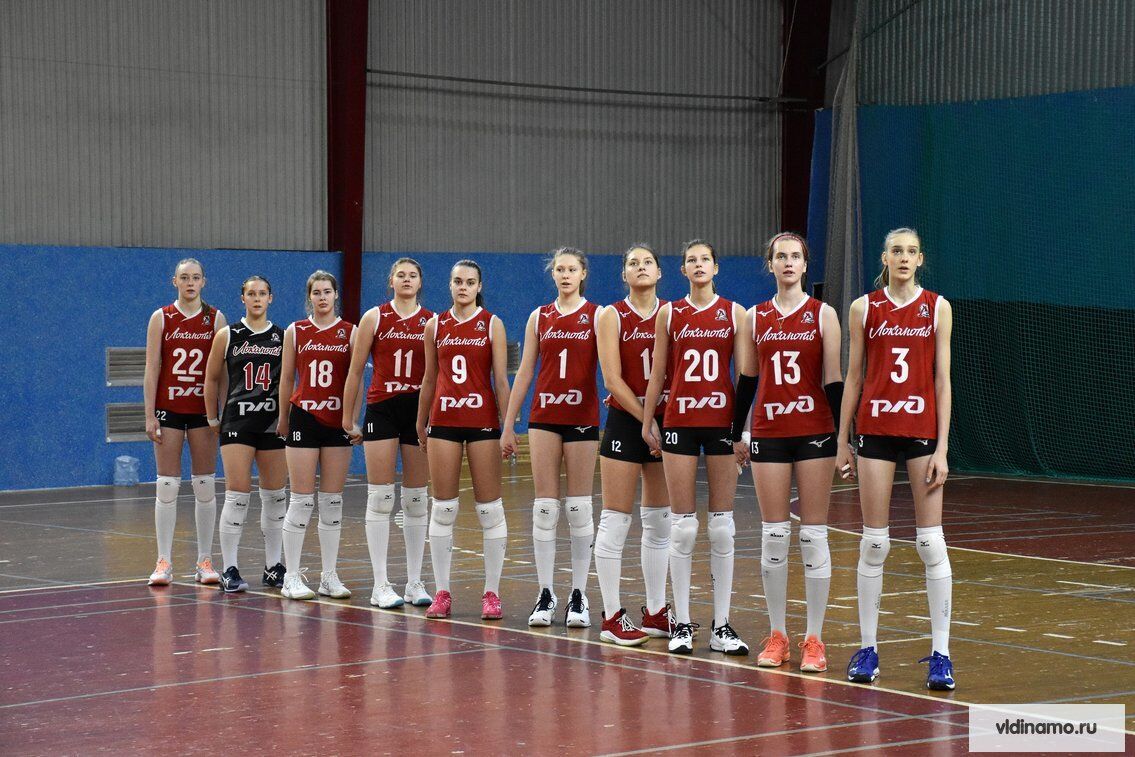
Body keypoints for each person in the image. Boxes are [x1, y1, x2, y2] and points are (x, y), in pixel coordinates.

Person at [836, 228, 955, 691]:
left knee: (931, 543)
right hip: (876, 430)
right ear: (884, 258)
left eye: (911, 251)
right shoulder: (863, 308)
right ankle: (868, 649)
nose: (903, 258)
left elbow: (942, 380)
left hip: (922, 431)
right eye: (896, 251)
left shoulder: (937, 307)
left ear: (920, 259)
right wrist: (842, 439)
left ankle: (941, 655)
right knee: (874, 543)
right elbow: (853, 376)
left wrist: (943, 447)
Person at [731, 233, 842, 672]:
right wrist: (737, 433)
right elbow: (747, 379)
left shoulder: (823, 314)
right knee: (774, 535)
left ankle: (814, 638)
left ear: (805, 265)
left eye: (796, 256)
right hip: (769, 431)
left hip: (815, 432)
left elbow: (834, 379)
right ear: (771, 264)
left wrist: (843, 438)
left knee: (813, 536)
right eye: (781, 256)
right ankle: (778, 634)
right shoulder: (755, 317)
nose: (789, 262)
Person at [641, 240, 749, 656]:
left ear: (716, 268)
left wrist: (743, 430)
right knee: (683, 526)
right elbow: (658, 373)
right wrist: (648, 419)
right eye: (691, 260)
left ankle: (722, 625)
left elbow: (744, 377)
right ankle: (683, 623)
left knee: (721, 526)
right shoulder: (670, 313)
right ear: (683, 270)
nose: (699, 265)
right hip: (679, 423)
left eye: (705, 259)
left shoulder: (734, 313)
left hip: (721, 423)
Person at [501, 247, 600, 629]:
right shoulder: (539, 316)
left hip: (582, 417)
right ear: (553, 274)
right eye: (560, 269)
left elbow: (611, 365)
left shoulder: (597, 315)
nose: (565, 274)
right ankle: (546, 592)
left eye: (572, 269)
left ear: (583, 273)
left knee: (579, 508)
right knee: (544, 508)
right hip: (544, 417)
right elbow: (525, 371)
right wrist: (509, 424)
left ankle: (579, 594)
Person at [416, 260, 512, 620]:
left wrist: (508, 426)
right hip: (444, 421)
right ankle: (442, 592)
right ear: (450, 284)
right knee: (443, 508)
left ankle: (492, 593)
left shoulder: (492, 323)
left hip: (482, 421)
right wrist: (420, 422)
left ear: (479, 286)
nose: (463, 287)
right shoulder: (435, 324)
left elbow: (500, 380)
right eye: (457, 281)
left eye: (470, 282)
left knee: (490, 510)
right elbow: (429, 378)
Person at [342, 258, 434, 609]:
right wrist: (349, 418)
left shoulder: (432, 321)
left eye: (413, 275)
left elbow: (437, 375)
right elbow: (355, 371)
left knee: (416, 499)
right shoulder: (374, 317)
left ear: (420, 282)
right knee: (380, 497)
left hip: (417, 410)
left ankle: (414, 582)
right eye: (401, 275)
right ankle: (380, 584)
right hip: (381, 408)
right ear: (391, 281)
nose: (407, 280)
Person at [593, 244, 672, 646]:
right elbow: (611, 378)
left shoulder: (671, 313)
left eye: (647, 262)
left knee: (659, 522)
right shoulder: (611, 315)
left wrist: (660, 420)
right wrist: (645, 420)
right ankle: (611, 617)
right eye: (632, 263)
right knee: (616, 519)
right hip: (628, 419)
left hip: (664, 419)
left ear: (659, 272)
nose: (640, 268)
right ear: (623, 275)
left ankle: (656, 612)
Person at [276, 271, 362, 601]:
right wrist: (283, 418)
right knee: (301, 500)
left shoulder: (350, 332)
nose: (322, 297)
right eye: (316, 292)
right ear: (309, 297)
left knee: (332, 502)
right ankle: (291, 576)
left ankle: (329, 576)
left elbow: (356, 378)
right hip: (304, 416)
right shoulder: (296, 331)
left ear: (336, 295)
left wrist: (352, 419)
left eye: (327, 291)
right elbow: (286, 378)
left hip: (337, 420)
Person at [143, 258, 226, 586]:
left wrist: (221, 412)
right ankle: (163, 561)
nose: (190, 283)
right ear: (174, 281)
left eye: (195, 277)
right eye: (184, 278)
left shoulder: (215, 318)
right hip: (170, 408)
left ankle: (205, 560)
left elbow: (222, 372)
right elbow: (152, 367)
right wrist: (149, 414)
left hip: (203, 411)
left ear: (204, 282)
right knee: (167, 484)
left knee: (205, 484)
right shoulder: (161, 317)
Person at [203, 275, 288, 593]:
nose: (257, 298)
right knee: (237, 496)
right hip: (237, 422)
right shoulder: (228, 335)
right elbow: (211, 378)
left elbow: (289, 380)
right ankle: (230, 569)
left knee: (275, 497)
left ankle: (273, 566)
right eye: (251, 294)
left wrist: (286, 418)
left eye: (262, 293)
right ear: (243, 298)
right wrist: (212, 416)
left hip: (271, 423)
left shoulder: (282, 336)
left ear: (270, 298)